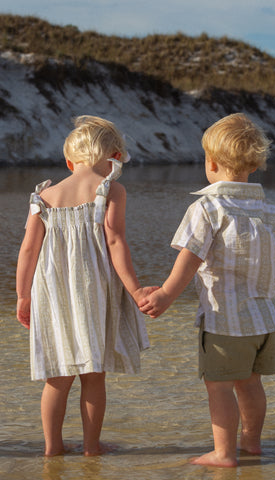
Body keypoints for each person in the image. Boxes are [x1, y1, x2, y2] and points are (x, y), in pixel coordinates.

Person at [139, 113, 275, 467]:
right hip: (265, 322)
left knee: (219, 386)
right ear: (254, 164)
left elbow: (191, 256)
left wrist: (167, 294)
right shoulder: (270, 213)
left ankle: (224, 453)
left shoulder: (208, 207)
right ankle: (252, 443)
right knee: (251, 384)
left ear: (211, 163)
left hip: (225, 320)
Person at [16, 115, 157, 457]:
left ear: (69, 161)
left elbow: (28, 250)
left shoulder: (44, 197)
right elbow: (116, 243)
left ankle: (53, 448)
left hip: (51, 295)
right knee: (94, 376)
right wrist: (137, 291)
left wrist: (22, 296)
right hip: (93, 292)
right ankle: (92, 448)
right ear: (113, 159)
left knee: (57, 377)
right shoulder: (111, 190)